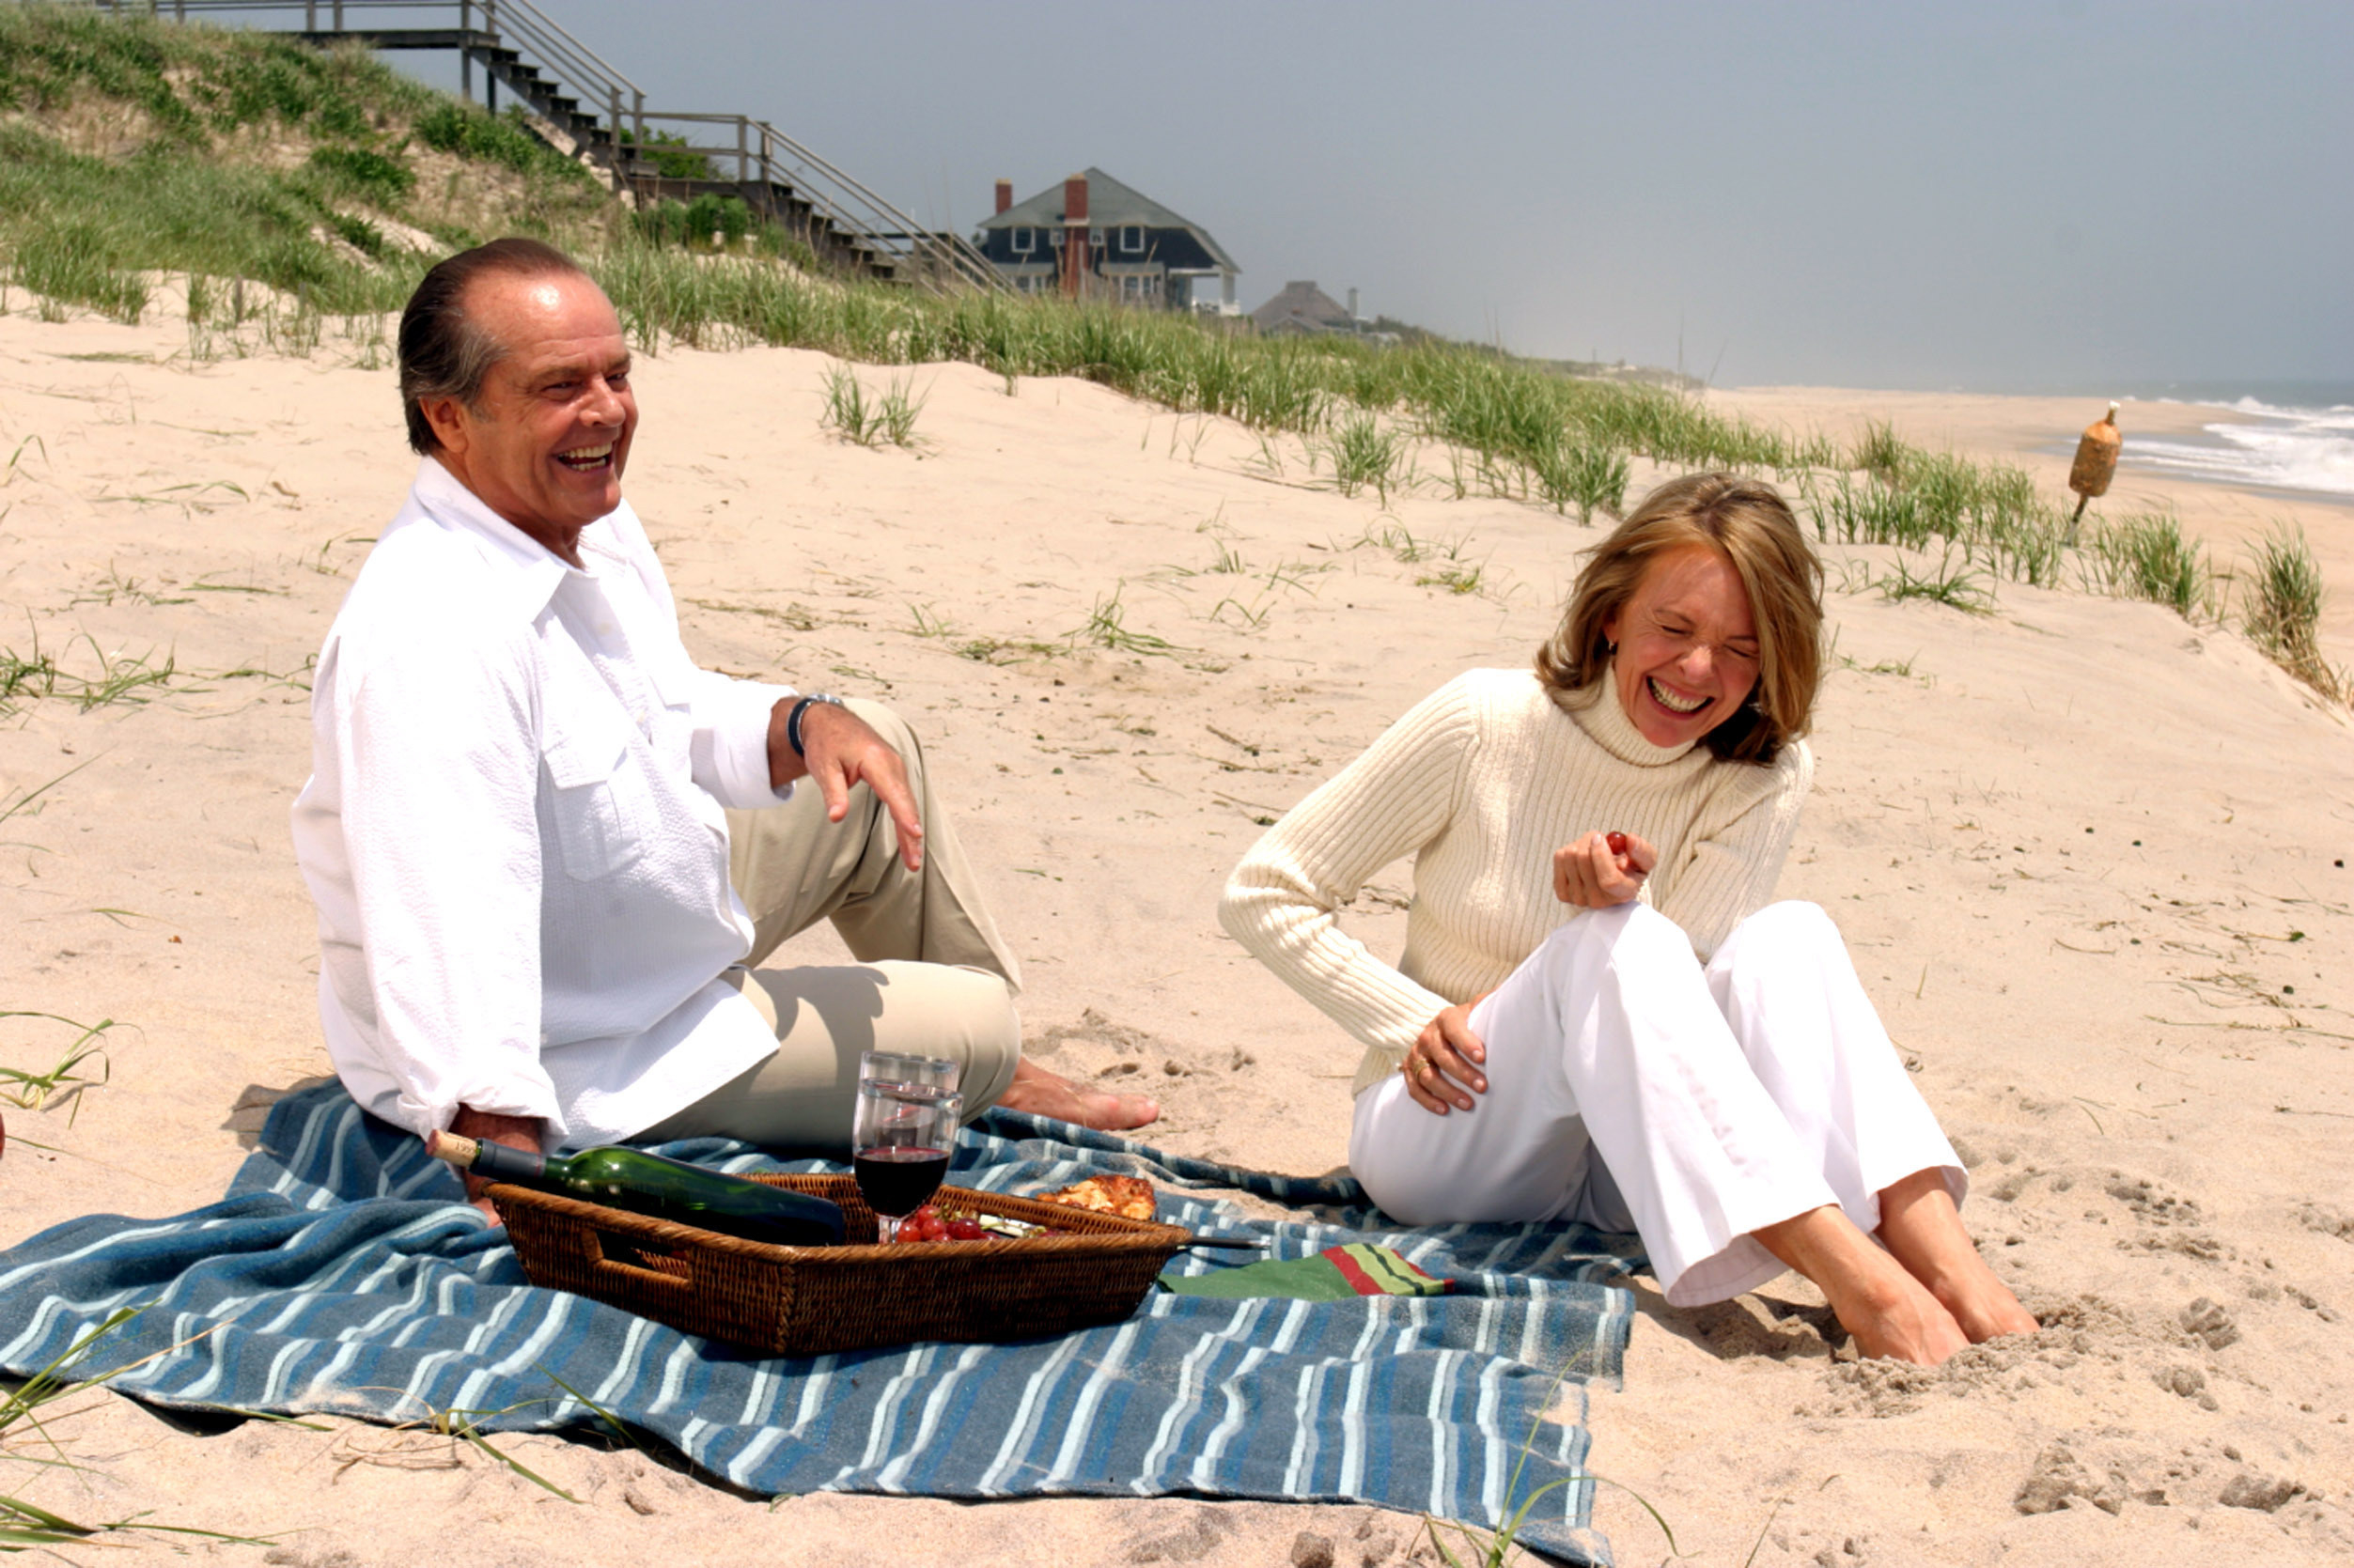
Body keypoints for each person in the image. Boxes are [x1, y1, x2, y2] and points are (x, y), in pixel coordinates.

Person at [291, 238, 1154, 1209]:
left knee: (872, 741)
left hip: (632, 920)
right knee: (974, 1026)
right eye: (559, 386)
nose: (607, 411)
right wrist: (499, 1134)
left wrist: (799, 723)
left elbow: (663, 703)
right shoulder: (432, 631)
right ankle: (990, 1063)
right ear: (448, 418)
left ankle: (996, 1068)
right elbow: (444, 903)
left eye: (617, 373)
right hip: (594, 1042)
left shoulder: (584, 518)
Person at [1219, 473, 2034, 1365]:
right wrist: (1415, 1023)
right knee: (1613, 938)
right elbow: (1265, 890)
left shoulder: (1762, 773)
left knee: (1789, 935)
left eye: (1739, 648)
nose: (1696, 672)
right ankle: (1862, 1281)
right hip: (1446, 1125)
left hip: (1626, 1174)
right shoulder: (1483, 722)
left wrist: (1613, 913)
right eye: (1673, 628)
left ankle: (1956, 1273)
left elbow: (1675, 1017)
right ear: (1611, 614)